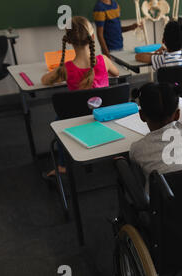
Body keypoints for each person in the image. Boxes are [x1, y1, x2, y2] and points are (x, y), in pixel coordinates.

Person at [41, 16, 119, 178]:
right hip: (106, 117)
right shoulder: (103, 60)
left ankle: (63, 165)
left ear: (69, 41)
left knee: (57, 121)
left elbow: (45, 80)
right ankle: (117, 154)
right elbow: (116, 73)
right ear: (92, 37)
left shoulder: (66, 69)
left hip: (78, 120)